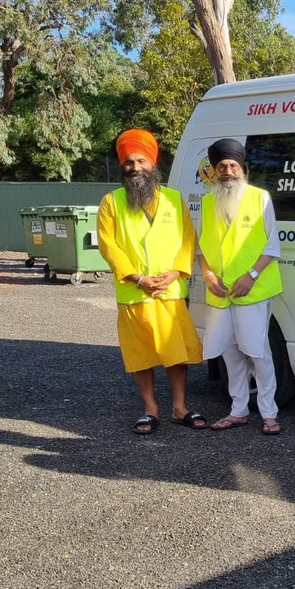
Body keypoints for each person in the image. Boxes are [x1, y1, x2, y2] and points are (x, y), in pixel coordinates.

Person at [97, 128, 207, 435]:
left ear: (153, 163)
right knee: (141, 354)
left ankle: (179, 407)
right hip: (134, 291)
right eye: (129, 162)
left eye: (141, 161)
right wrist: (138, 277)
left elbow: (188, 238)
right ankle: (150, 409)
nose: (135, 168)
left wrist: (175, 272)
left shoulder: (174, 199)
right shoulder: (112, 202)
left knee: (176, 353)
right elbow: (108, 245)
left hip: (170, 291)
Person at [197, 138, 285, 435]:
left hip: (253, 289)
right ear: (213, 170)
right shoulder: (208, 202)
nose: (228, 171)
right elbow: (201, 249)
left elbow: (272, 246)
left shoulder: (260, 198)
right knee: (230, 352)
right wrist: (208, 276)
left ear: (242, 168)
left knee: (258, 352)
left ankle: (269, 413)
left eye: (233, 165)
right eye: (222, 166)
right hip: (220, 292)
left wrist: (251, 275)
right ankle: (238, 410)